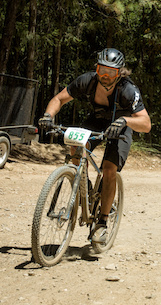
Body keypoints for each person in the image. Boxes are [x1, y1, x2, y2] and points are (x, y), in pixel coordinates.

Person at [38, 48, 151, 244]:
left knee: (109, 170)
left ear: (120, 73)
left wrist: (125, 121)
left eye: (111, 72)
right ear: (96, 69)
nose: (106, 76)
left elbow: (146, 124)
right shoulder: (87, 81)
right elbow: (59, 99)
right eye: (102, 70)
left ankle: (102, 224)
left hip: (122, 125)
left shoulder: (128, 90)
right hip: (97, 120)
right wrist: (48, 115)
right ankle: (82, 182)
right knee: (75, 144)